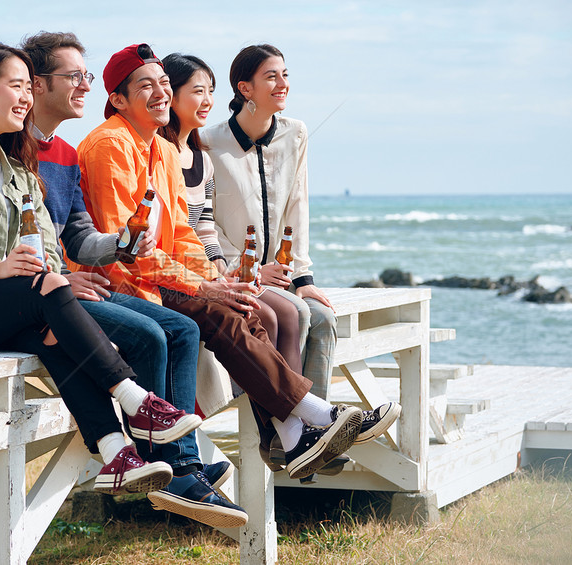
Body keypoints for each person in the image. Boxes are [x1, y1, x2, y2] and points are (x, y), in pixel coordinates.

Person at [0, 42, 200, 497]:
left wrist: (55, 278)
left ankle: (116, 452)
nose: (25, 98)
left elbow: (49, 248)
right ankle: (136, 401)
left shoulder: (15, 167)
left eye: (26, 88)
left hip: (6, 310)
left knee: (52, 334)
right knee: (53, 294)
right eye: (14, 86)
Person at [73, 43, 381, 482]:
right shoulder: (110, 146)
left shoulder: (159, 149)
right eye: (148, 86)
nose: (161, 93)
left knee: (238, 303)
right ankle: (307, 417)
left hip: (160, 280)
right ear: (119, 100)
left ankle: (294, 431)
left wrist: (215, 276)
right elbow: (128, 251)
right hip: (123, 288)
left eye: (164, 83)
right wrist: (202, 286)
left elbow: (181, 231)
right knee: (213, 313)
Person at [20, 32, 246, 528]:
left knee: (187, 329)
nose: (82, 84)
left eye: (85, 75)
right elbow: (18, 243)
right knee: (157, 332)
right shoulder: (80, 148)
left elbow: (81, 233)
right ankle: (176, 464)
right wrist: (68, 273)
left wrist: (204, 274)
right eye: (74, 76)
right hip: (62, 294)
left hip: (78, 285)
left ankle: (181, 461)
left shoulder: (62, 151)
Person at [200, 44, 401, 457]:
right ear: (245, 88)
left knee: (323, 317)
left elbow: (298, 204)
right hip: (235, 274)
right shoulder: (208, 141)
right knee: (299, 314)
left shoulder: (296, 132)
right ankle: (289, 433)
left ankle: (318, 441)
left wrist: (302, 277)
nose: (283, 84)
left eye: (286, 75)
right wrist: (249, 268)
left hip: (280, 273)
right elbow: (206, 223)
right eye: (272, 76)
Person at [157, 53, 311, 468]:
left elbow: (202, 227)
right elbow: (161, 237)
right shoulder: (171, 150)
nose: (206, 99)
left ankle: (295, 430)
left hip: (210, 273)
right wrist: (224, 277)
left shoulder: (197, 154)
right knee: (271, 315)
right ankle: (292, 427)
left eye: (209, 90)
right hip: (170, 282)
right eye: (196, 91)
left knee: (293, 315)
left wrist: (225, 274)